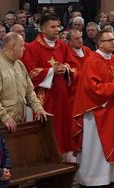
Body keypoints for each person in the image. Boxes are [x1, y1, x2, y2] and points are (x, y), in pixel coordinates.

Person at [72, 28, 114, 187]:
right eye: (110, 40)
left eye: (113, 40)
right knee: (97, 145)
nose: (113, 43)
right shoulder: (92, 61)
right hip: (97, 110)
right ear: (100, 43)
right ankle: (95, 177)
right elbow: (91, 87)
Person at [22, 14, 79, 160]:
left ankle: (66, 157)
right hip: (45, 95)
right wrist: (52, 71)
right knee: (49, 126)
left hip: (63, 94)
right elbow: (30, 72)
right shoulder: (32, 47)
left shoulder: (62, 46)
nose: (56, 29)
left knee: (64, 124)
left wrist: (65, 69)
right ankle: (47, 158)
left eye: (57, 26)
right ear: (43, 29)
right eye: (52, 27)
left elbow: (74, 66)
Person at [0, 33, 48, 131]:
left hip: (19, 122)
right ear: (13, 47)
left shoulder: (19, 64)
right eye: (22, 46)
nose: (24, 49)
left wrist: (38, 108)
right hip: (1, 125)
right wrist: (4, 117)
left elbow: (29, 91)